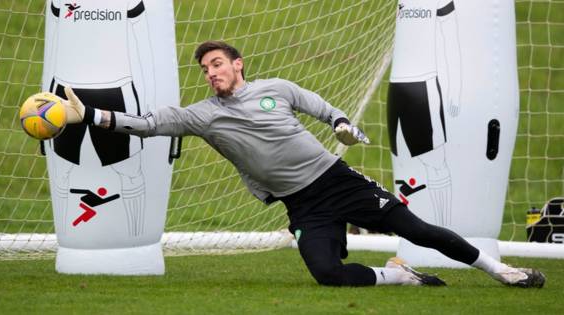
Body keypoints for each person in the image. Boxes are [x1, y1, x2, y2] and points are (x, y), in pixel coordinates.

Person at [57, 40, 545, 288]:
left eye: (218, 64)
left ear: (238, 65)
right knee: (328, 274)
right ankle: (398, 276)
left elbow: (323, 109)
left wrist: (341, 124)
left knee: (418, 230)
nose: (211, 73)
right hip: (301, 205)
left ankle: (503, 272)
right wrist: (88, 117)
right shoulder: (201, 117)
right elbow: (146, 123)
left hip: (338, 182)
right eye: (205, 69)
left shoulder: (276, 89)